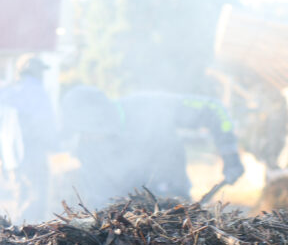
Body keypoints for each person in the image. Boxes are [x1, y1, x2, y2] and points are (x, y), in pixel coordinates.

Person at [59, 86, 245, 208]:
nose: (87, 137)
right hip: (126, 222)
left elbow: (214, 109)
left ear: (100, 119)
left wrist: (230, 156)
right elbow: (98, 198)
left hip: (173, 205)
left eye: (87, 130)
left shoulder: (150, 106)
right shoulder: (88, 149)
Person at [0, 54, 58, 223]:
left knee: (20, 197)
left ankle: (17, 237)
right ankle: (30, 239)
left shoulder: (5, 93)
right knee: (36, 198)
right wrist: (55, 145)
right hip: (33, 153)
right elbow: (46, 124)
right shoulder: (37, 91)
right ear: (35, 71)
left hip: (12, 157)